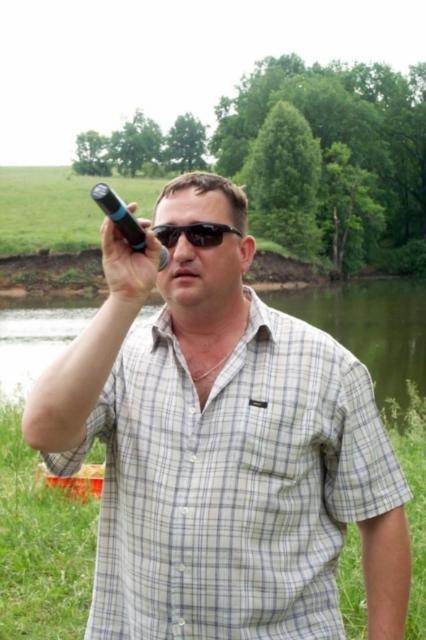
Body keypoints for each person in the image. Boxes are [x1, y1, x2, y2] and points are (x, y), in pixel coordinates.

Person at [22, 172, 412, 639]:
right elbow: (43, 432)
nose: (183, 251)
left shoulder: (328, 367)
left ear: (244, 252)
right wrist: (124, 296)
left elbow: (381, 516)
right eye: (167, 236)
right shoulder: (118, 355)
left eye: (204, 234)